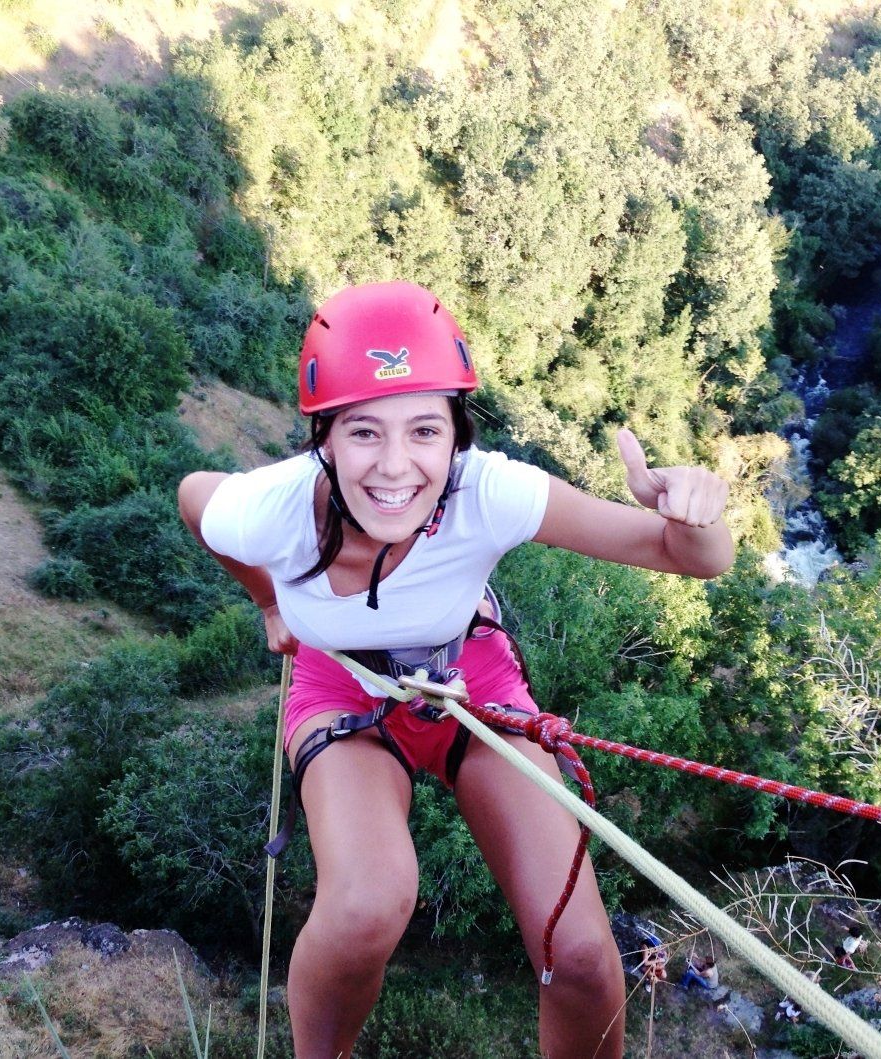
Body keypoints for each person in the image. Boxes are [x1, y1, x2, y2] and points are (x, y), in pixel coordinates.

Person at [178, 281, 734, 1059]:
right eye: (364, 431)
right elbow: (195, 499)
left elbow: (692, 557)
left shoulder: (488, 491)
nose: (395, 465)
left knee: (580, 957)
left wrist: (694, 512)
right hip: (340, 686)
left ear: (456, 436)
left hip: (469, 677)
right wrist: (269, 600)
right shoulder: (270, 509)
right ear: (323, 439)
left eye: (425, 430)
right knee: (366, 905)